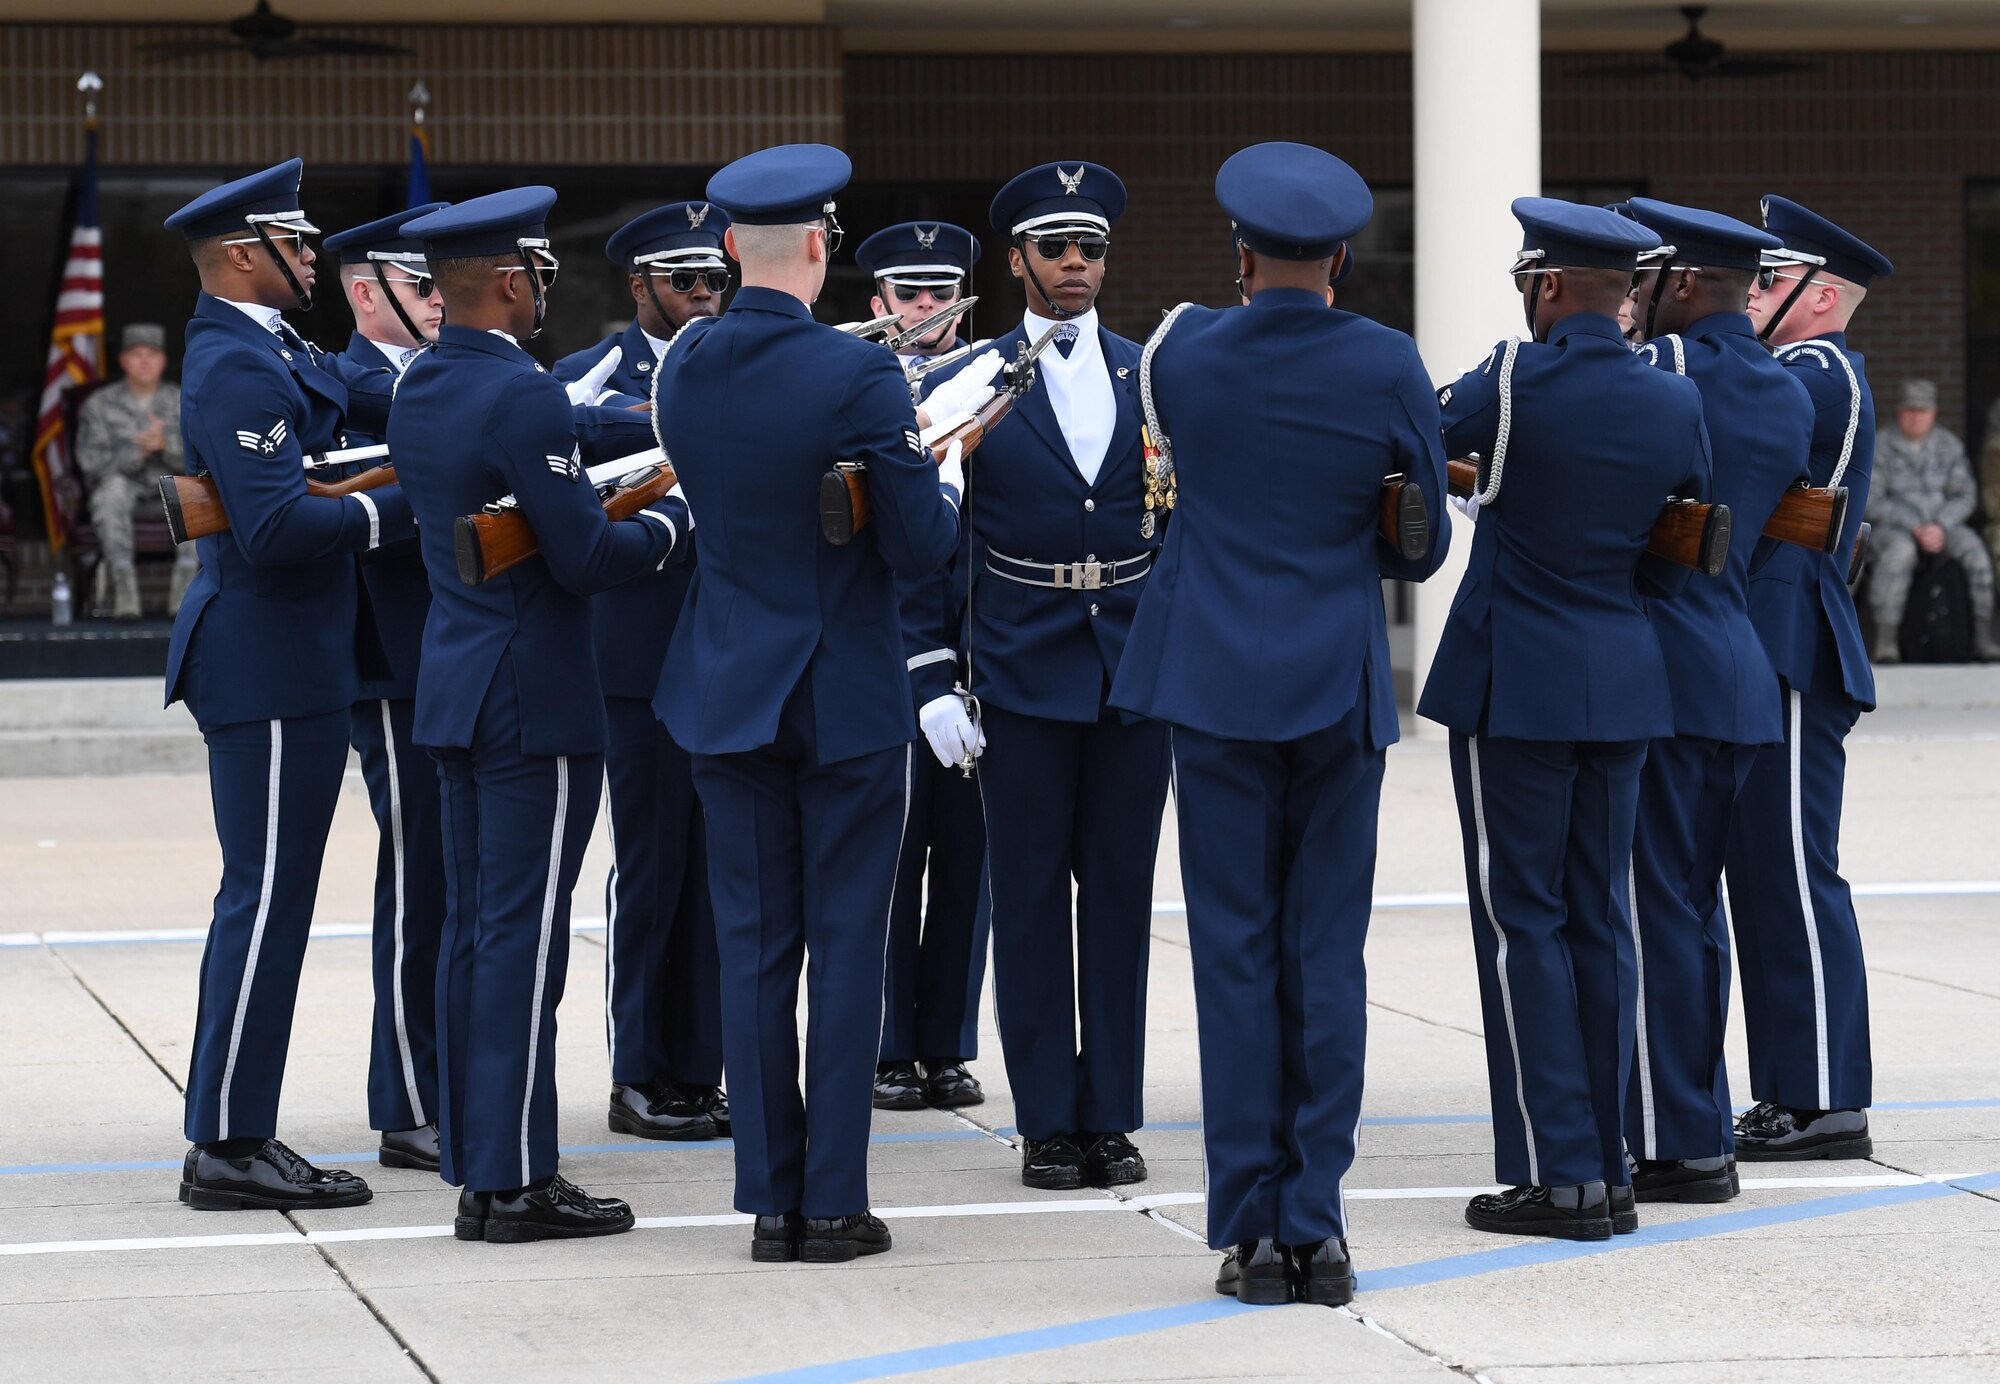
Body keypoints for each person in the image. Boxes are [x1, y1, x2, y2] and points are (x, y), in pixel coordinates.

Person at [1110, 142, 1450, 1305]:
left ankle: (1250, 1230)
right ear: (1344, 259)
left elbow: (1162, 475)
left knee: (1233, 953)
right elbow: (1423, 542)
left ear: (1240, 253)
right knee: (1323, 955)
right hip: (1331, 680)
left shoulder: (1183, 349)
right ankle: (1318, 1223)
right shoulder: (1385, 359)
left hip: (1209, 679)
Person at [653, 144, 983, 1264]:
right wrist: (934, 468)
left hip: (725, 684)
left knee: (751, 948)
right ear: (816, 245)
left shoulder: (684, 364)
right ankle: (830, 1201)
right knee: (846, 947)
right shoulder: (859, 376)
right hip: (839, 692)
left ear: (731, 251)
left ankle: (767, 1200)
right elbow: (920, 546)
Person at [393, 188, 689, 1244]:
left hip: (460, 685)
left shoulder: (426, 382)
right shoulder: (521, 395)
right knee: (525, 944)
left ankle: (481, 1162)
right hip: (535, 697)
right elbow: (584, 557)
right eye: (537, 278)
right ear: (513, 282)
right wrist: (669, 521)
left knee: (478, 934)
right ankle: (518, 1181)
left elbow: (569, 428)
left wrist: (662, 423)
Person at [1419, 198, 1712, 1241]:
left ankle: (1559, 1173)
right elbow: (1682, 548)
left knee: (1522, 922)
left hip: (1516, 684)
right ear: (1626, 292)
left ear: (1543, 287)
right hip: (1623, 674)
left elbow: (1413, 438)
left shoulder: (1506, 377)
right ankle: (1614, 1162)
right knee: (1601, 915)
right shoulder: (1670, 401)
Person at [165, 159, 415, 1212]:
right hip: (265, 662)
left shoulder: (275, 349)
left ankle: (236, 1126)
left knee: (277, 898)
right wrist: (399, 504)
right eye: (295, 245)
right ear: (239, 256)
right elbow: (270, 529)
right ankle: (227, 1140)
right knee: (263, 901)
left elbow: (380, 403)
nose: (312, 258)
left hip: (296, 663)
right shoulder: (234, 364)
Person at [937, 160, 1169, 1194]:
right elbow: (930, 539)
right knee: (1027, 897)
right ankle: (1045, 1119)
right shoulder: (970, 379)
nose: (1076, 265)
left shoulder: (1150, 373)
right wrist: (931, 670)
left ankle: (1108, 1111)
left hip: (1128, 667)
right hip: (1020, 666)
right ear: (1017, 260)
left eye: (1091, 250)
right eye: (1056, 249)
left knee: (1118, 896)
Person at [1619, 199, 1814, 1205]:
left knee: (1656, 909)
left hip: (1661, 667)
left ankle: (1675, 1137)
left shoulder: (1664, 375)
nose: (1628, 299)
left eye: (1639, 281)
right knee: (1693, 913)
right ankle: (1694, 1114)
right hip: (1734, 666)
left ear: (1682, 285)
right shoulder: (1785, 391)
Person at [554, 202, 734, 1142]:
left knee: (720, 870)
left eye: (716, 280)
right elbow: (562, 446)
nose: (705, 297)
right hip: (635, 659)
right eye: (685, 282)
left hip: (735, 654)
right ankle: (638, 1073)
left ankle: (700, 1068)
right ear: (641, 286)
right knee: (654, 863)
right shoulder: (590, 377)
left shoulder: (742, 361)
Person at [1724, 197, 1895, 1161]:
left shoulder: (1816, 368)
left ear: (1821, 295)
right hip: (1762, 640)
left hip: (1788, 639)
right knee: (1759, 873)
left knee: (1790, 869)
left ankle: (1829, 1095)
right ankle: (1794, 1086)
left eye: (1768, 282)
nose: (1749, 297)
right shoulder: (1791, 369)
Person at [854, 219, 992, 1113]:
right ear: (879, 305)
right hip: (897, 661)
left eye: (943, 293)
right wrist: (923, 672)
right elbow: (896, 553)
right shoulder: (870, 386)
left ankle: (945, 1044)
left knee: (971, 865)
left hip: (986, 663)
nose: (928, 309)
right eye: (910, 294)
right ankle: (890, 1046)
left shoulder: (996, 383)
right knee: (893, 865)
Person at [323, 205, 450, 1174]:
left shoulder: (428, 377)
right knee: (417, 882)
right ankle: (406, 1098)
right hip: (391, 667)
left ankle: (440, 1080)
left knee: (451, 881)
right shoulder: (352, 384)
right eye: (421, 284)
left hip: (448, 663)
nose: (440, 299)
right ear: (367, 293)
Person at [1866, 379, 1998, 661]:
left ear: (1934, 412)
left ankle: (1982, 638)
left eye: (1922, 410)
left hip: (1944, 526)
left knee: (1976, 552)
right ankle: (1886, 642)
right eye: (1909, 410)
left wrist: (1940, 525)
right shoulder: (1881, 445)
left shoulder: (1948, 445)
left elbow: (1965, 495)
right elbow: (1871, 499)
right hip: (1894, 529)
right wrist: (1914, 526)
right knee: (1897, 554)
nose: (1916, 417)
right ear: (1899, 411)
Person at [76, 323, 196, 618]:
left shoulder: (185, 401)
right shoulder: (99, 405)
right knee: (111, 491)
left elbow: (204, 461)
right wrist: (137, 452)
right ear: (123, 361)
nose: (144, 361)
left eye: (152, 354)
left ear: (163, 360)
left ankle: (186, 596)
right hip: (124, 491)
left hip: (170, 489)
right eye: (136, 354)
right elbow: (90, 463)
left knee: (197, 495)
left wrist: (166, 445)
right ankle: (124, 591)